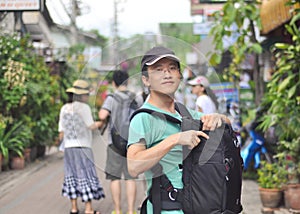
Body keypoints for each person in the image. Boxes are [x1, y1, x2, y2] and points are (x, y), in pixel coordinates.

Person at [127, 46, 231, 213]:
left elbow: (227, 122)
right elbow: (133, 166)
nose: (167, 74)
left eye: (172, 68)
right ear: (146, 79)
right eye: (158, 70)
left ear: (179, 76)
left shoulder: (183, 112)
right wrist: (175, 139)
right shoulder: (143, 118)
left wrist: (217, 118)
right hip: (168, 208)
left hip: (197, 205)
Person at [98, 70, 143, 214]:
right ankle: (131, 211)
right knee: (131, 177)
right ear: (127, 81)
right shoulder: (136, 98)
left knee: (114, 177)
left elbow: (102, 115)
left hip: (114, 142)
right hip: (133, 142)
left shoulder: (111, 98)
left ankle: (117, 210)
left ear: (113, 83)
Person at [58, 80, 105, 214]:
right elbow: (90, 125)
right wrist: (101, 123)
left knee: (71, 175)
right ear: (82, 95)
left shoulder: (64, 108)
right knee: (85, 175)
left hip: (69, 148)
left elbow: (61, 131)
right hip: (83, 147)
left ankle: (74, 208)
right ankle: (89, 209)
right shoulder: (84, 108)